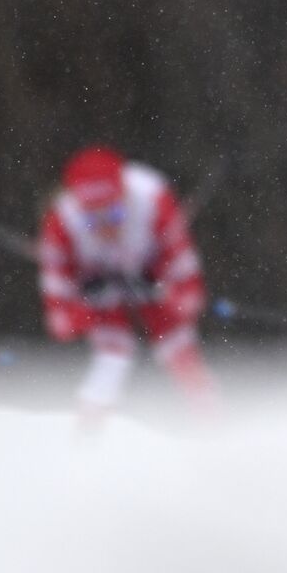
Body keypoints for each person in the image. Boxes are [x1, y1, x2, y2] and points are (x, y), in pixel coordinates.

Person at [38, 145, 216, 425]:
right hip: (99, 299)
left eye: (114, 215)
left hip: (154, 278)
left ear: (126, 198)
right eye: (92, 219)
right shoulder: (61, 224)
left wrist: (161, 291)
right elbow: (58, 321)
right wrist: (86, 303)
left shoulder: (154, 201)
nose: (104, 227)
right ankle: (90, 429)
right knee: (112, 351)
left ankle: (210, 421)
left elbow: (190, 292)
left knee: (176, 342)